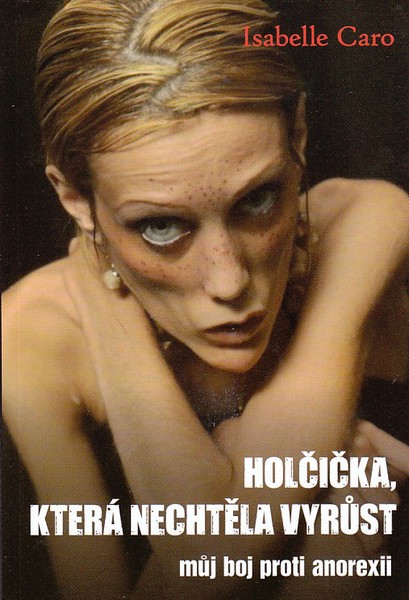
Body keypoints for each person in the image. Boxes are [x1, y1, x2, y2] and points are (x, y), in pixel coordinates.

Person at [3, 1, 409, 599]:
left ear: (297, 136)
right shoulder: (30, 333)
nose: (229, 282)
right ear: (75, 200)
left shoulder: (367, 221)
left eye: (257, 200)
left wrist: (99, 280)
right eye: (160, 226)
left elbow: (215, 552)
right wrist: (331, 558)